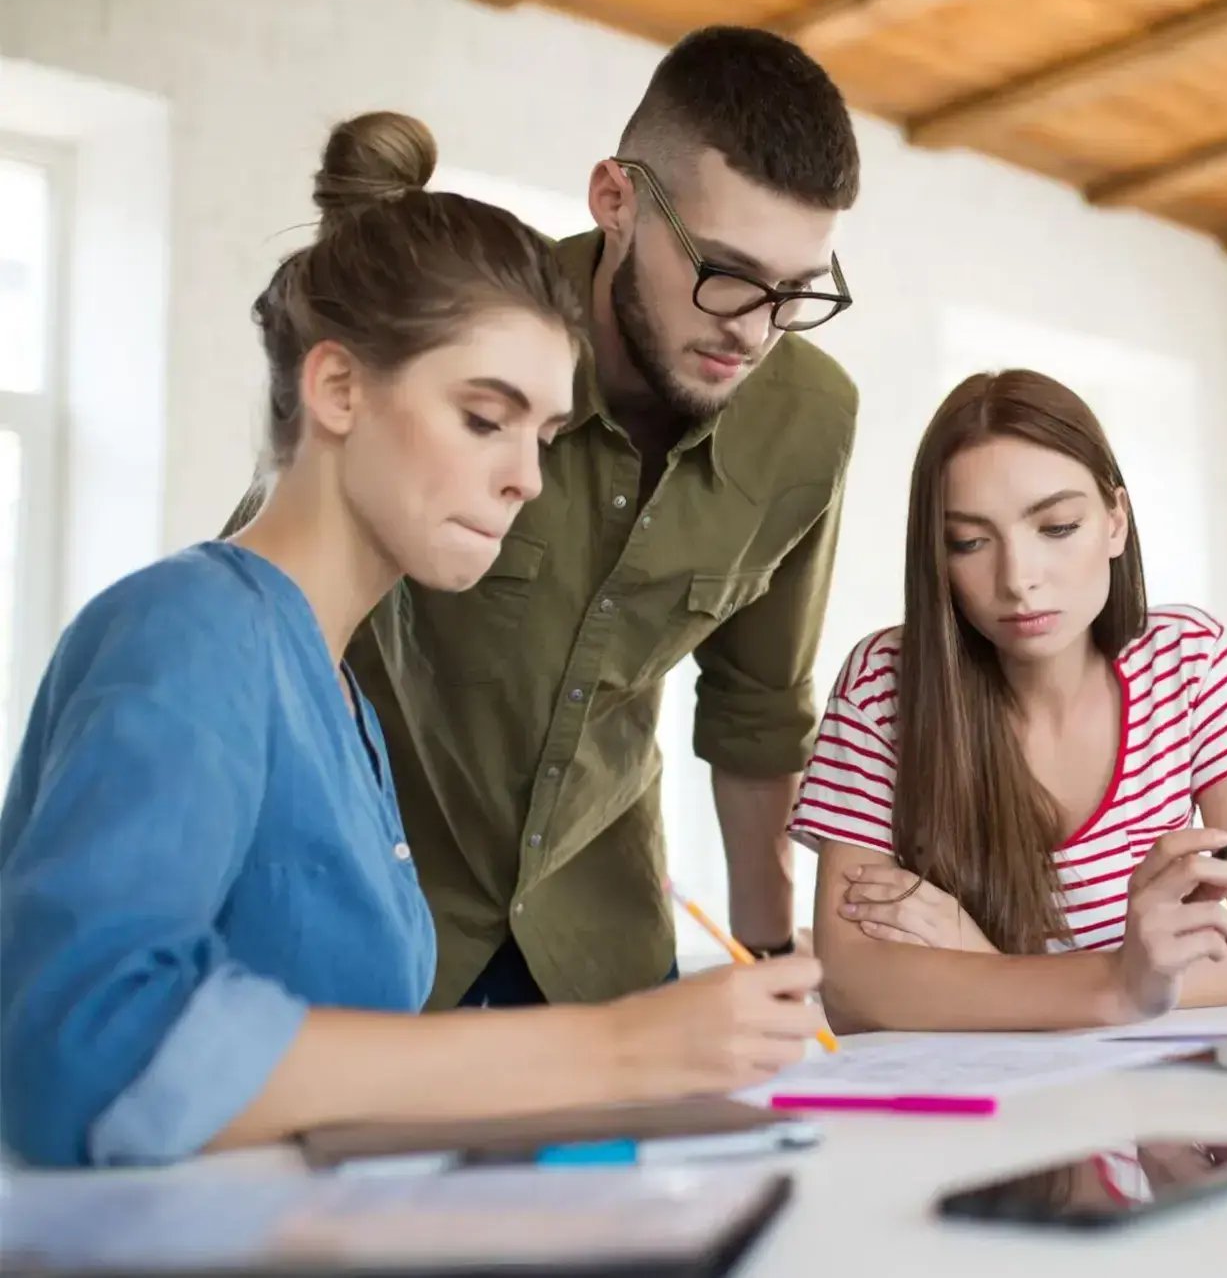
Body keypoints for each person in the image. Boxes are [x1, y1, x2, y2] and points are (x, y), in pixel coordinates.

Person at [0, 113, 825, 1169]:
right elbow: (84, 1046)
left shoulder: (341, 700)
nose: (527, 476)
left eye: (544, 433)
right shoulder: (188, 631)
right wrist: (610, 1048)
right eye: (486, 418)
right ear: (339, 388)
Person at [228, 27, 864, 1008]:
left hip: (600, 948)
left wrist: (770, 956)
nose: (754, 326)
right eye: (727, 271)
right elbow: (277, 596)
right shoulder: (470, 333)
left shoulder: (807, 419)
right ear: (616, 200)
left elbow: (758, 708)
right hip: (374, 927)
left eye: (795, 290)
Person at [790, 370, 1227, 1032]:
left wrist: (982, 963)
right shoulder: (882, 683)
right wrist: (1122, 981)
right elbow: (854, 987)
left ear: (1115, 523)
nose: (1018, 579)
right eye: (969, 542)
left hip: (1159, 1115)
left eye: (1058, 526)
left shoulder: (1185, 659)